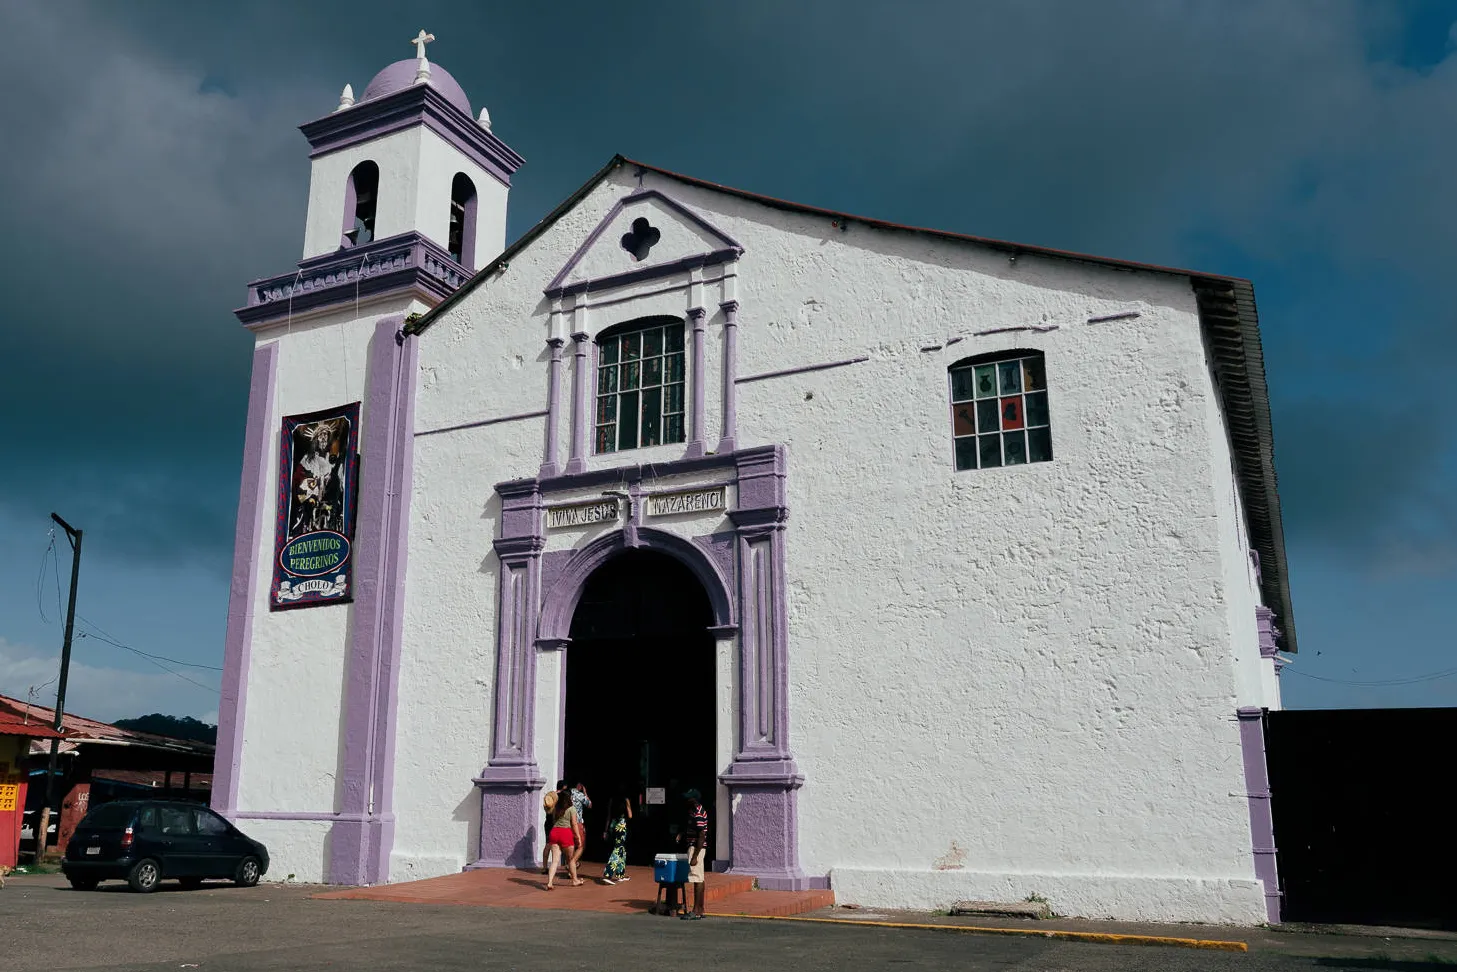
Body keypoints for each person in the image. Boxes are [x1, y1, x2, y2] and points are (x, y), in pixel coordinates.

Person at [544, 785, 584, 890]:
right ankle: (575, 880)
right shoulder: (571, 809)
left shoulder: (555, 808)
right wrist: (578, 838)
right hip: (565, 833)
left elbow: (551, 817)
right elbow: (574, 825)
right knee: (570, 860)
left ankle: (549, 882)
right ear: (568, 798)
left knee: (555, 861)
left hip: (554, 832)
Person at [679, 789, 708, 920]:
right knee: (699, 878)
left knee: (696, 878)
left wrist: (695, 856)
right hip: (694, 847)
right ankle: (700, 910)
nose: (686, 800)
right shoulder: (692, 811)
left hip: (696, 848)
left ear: (694, 800)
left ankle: (696, 910)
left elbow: (702, 835)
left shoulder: (698, 813)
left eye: (689, 798)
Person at [601, 791, 633, 885]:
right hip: (621, 826)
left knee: (622, 850)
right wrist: (628, 804)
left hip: (613, 825)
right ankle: (608, 873)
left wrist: (606, 830)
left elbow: (609, 816)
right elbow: (630, 815)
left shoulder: (612, 800)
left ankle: (620, 874)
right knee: (618, 849)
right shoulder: (625, 800)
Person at [542, 779, 567, 874]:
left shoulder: (550, 796)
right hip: (557, 824)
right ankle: (564, 866)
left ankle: (544, 867)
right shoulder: (562, 797)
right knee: (562, 845)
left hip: (548, 823)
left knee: (548, 845)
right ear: (564, 787)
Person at [570, 782, 592, 869]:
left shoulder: (568, 793)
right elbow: (589, 804)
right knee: (580, 846)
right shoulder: (579, 794)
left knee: (571, 845)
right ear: (579, 785)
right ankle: (572, 864)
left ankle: (572, 867)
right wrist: (585, 792)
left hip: (567, 822)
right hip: (577, 822)